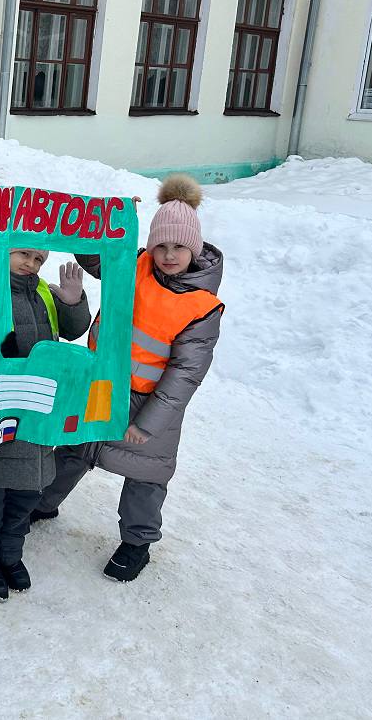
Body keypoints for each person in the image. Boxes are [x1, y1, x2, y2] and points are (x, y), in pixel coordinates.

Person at [35, 175, 224, 582]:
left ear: (194, 248)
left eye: (179, 247)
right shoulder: (136, 263)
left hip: (151, 403)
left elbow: (185, 374)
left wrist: (148, 423)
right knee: (74, 448)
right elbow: (96, 254)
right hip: (103, 385)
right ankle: (43, 500)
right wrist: (106, 222)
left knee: (146, 475)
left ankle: (137, 543)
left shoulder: (202, 307)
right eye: (162, 246)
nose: (169, 255)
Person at [0, 250, 91, 601]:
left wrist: (74, 303)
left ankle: (10, 556)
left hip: (37, 412)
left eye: (37, 259)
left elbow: (74, 329)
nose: (30, 264)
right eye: (22, 255)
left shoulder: (44, 291)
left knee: (25, 495)